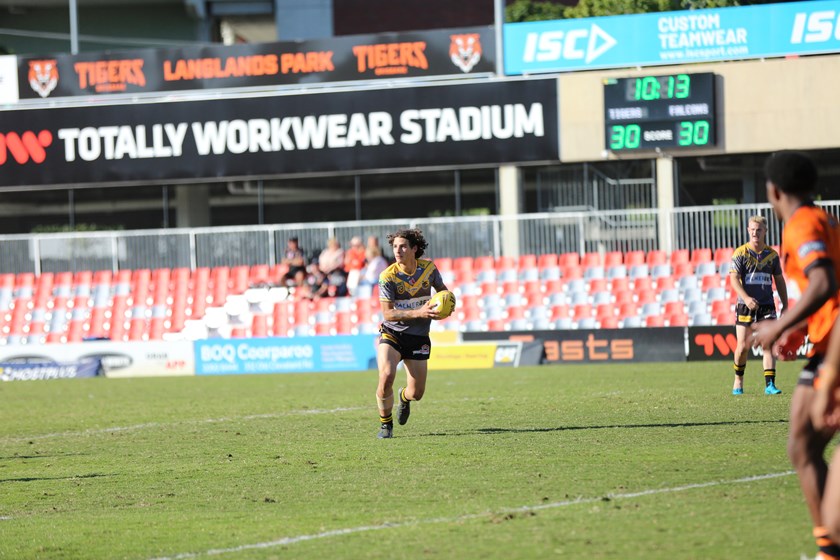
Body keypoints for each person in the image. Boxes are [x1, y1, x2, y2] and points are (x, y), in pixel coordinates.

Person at [752, 151, 840, 560]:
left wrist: (780, 325)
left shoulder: (801, 224)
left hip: (836, 348)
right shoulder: (825, 221)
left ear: (773, 191)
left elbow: (823, 280)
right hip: (827, 343)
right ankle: (829, 548)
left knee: (806, 447)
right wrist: (800, 327)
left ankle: (831, 549)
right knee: (802, 446)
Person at [375, 228, 448, 439]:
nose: (398, 250)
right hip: (393, 333)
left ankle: (404, 398)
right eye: (395, 247)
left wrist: (446, 304)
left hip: (418, 336)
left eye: (403, 246)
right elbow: (388, 314)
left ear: (414, 249)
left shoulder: (428, 269)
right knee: (387, 374)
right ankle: (385, 424)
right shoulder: (387, 276)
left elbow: (443, 291)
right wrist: (419, 311)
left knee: (416, 393)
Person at [729, 215, 788, 395]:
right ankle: (738, 380)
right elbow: (733, 279)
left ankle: (770, 384)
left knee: (768, 344)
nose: (755, 232)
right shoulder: (740, 253)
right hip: (745, 306)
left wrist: (785, 304)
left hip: (767, 305)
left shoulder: (772, 256)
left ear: (765, 232)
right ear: (748, 230)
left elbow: (779, 280)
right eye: (752, 229)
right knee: (742, 346)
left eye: (759, 229)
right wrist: (746, 298)